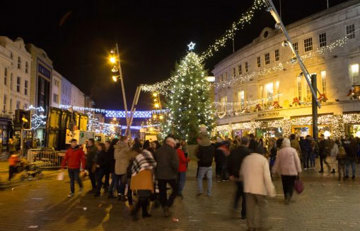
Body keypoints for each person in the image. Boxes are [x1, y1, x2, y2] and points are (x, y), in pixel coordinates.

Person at [240, 145, 276, 231]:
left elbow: (242, 173)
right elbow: (267, 177)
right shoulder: (263, 160)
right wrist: (271, 190)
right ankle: (263, 225)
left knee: (250, 208)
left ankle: (251, 226)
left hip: (248, 188)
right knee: (263, 207)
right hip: (260, 188)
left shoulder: (246, 159)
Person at [154, 137, 179, 217]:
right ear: (170, 143)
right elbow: (175, 164)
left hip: (160, 175)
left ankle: (164, 206)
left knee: (162, 192)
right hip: (170, 174)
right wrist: (176, 171)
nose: (174, 145)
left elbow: (155, 162)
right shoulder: (172, 151)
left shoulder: (158, 150)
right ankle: (167, 205)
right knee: (176, 189)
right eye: (173, 144)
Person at [272, 138, 302, 204]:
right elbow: (297, 161)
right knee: (291, 184)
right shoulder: (293, 151)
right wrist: (299, 170)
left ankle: (286, 196)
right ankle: (289, 195)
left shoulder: (280, 152)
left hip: (283, 172)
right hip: (293, 171)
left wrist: (274, 170)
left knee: (285, 185)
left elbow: (277, 162)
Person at [130, 147, 157, 220]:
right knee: (143, 197)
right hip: (145, 178)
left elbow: (133, 169)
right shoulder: (148, 155)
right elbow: (153, 165)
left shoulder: (138, 157)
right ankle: (136, 212)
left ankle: (144, 213)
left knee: (144, 197)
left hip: (141, 178)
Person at [227, 136, 250, 219]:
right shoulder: (248, 152)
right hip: (245, 176)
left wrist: (230, 174)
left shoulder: (234, 151)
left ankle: (235, 204)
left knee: (240, 190)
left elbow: (229, 162)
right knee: (244, 194)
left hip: (236, 175)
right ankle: (244, 213)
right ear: (247, 143)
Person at [113, 136, 131, 200]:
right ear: (125, 140)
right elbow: (129, 156)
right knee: (123, 182)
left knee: (117, 181)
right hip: (124, 166)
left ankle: (119, 194)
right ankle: (122, 195)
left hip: (117, 166)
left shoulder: (117, 147)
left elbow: (115, 157)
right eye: (127, 139)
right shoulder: (126, 147)